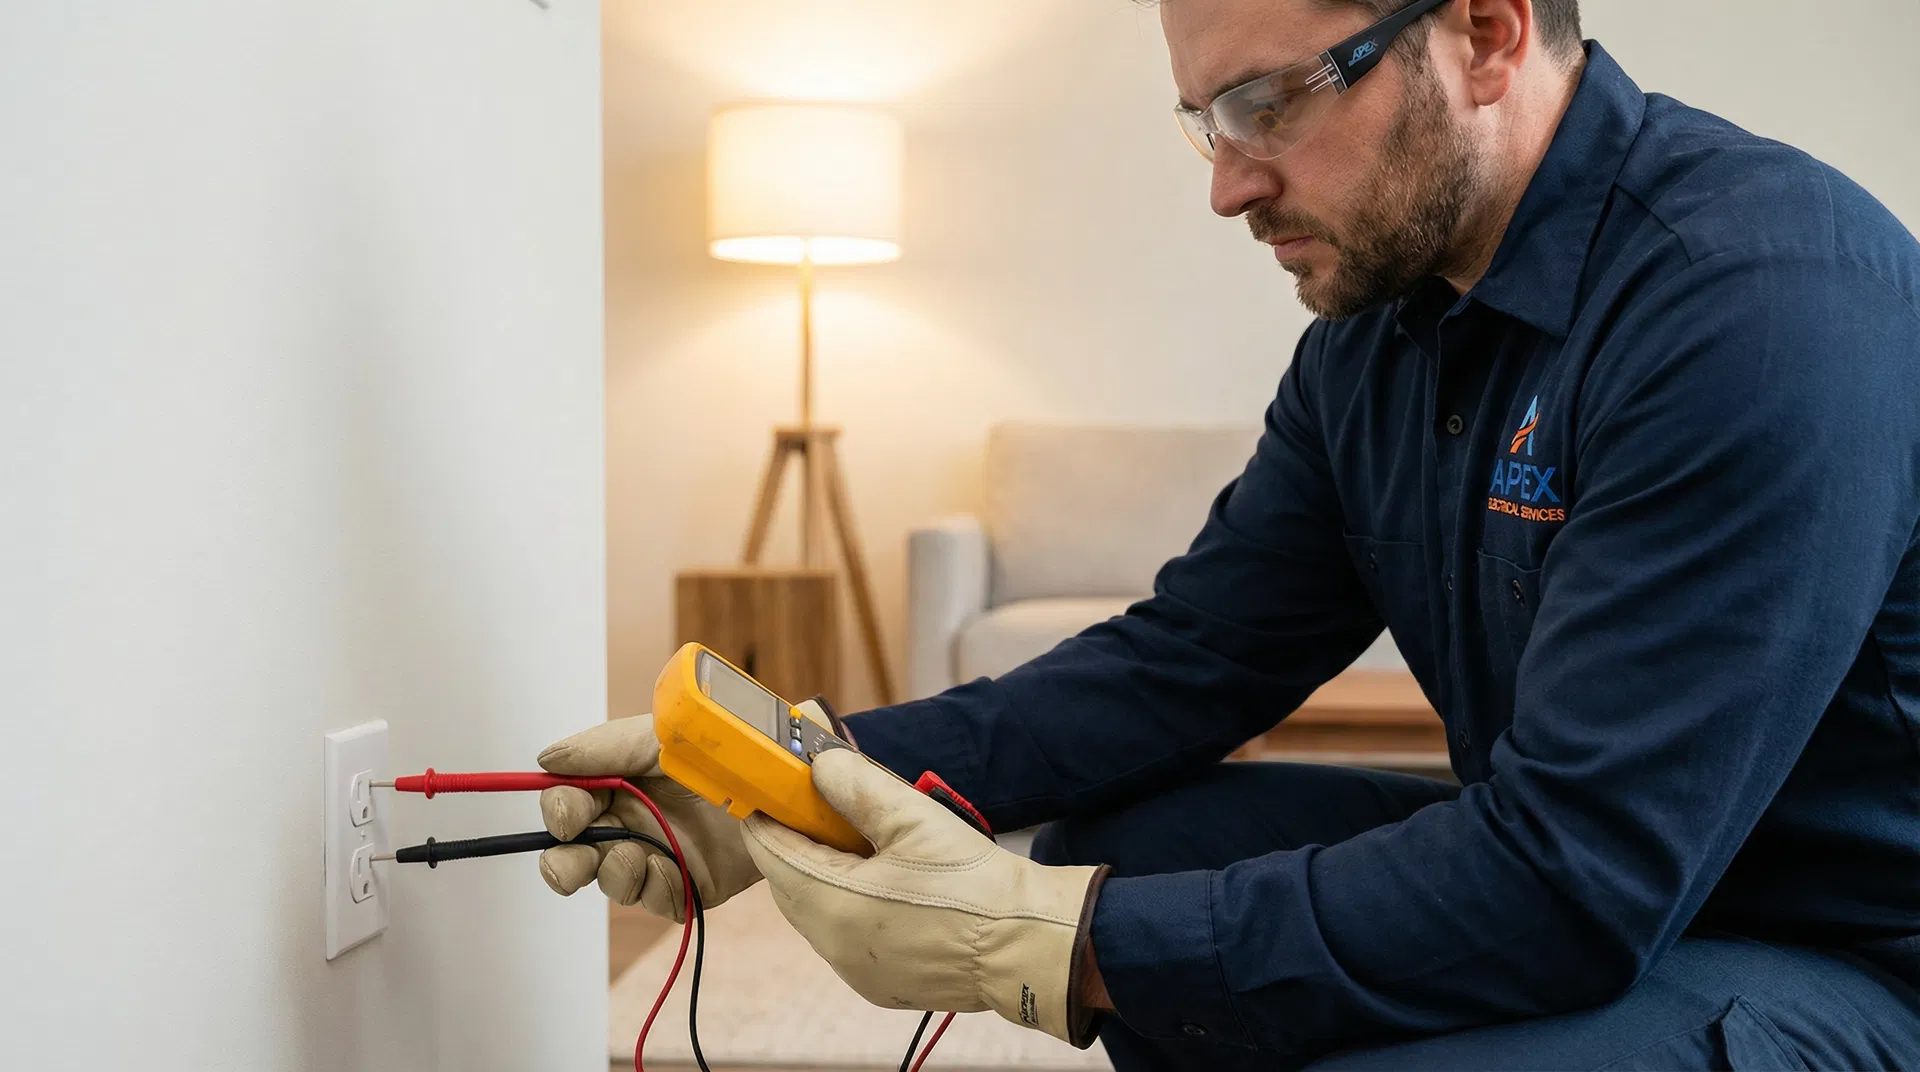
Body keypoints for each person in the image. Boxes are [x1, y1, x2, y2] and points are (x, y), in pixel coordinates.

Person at [537, 0, 1920, 1066]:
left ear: (1486, 34)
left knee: (1159, 939)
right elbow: (1188, 658)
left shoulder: (1753, 303)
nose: (1228, 184)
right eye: (1207, 118)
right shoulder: (1383, 329)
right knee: (1148, 844)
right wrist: (799, 770)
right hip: (1615, 874)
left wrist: (1062, 944)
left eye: (1268, 103)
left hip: (1837, 948)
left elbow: (1573, 882)